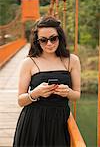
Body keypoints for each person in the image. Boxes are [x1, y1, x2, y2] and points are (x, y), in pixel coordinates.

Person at [13, 16, 81, 147]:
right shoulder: (29, 62)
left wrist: (67, 92)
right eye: (43, 40)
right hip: (33, 122)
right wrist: (35, 93)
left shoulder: (72, 60)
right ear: (37, 41)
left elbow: (77, 95)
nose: (49, 44)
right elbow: (21, 101)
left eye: (53, 38)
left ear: (60, 37)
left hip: (59, 123)